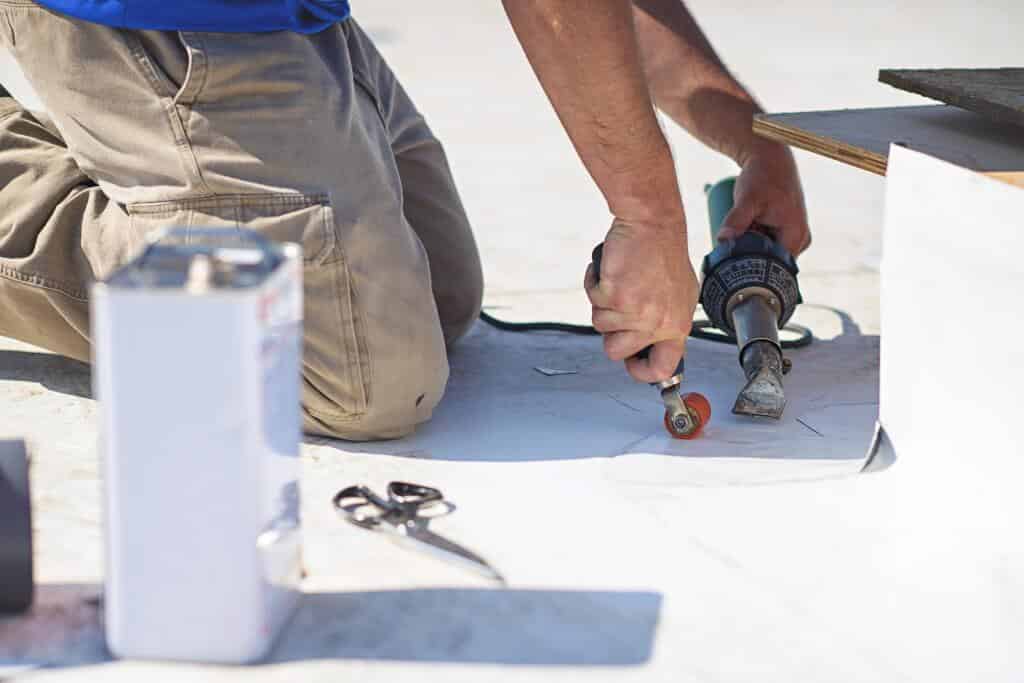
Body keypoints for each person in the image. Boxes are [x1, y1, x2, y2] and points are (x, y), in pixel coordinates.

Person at [0, 0, 809, 441]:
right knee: (365, 381)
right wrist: (648, 218)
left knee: (445, 297)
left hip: (289, 17)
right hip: (150, 11)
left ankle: (161, 181)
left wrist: (756, 146)